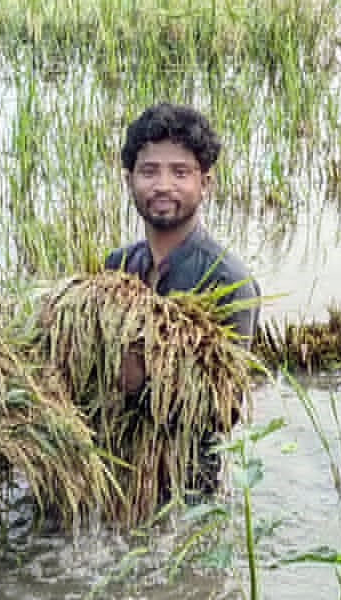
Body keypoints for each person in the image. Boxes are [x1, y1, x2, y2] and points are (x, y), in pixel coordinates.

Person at [104, 102, 260, 493]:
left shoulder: (227, 282)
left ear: (205, 183)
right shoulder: (117, 267)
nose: (163, 185)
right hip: (114, 468)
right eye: (149, 171)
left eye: (180, 172)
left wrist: (141, 383)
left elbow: (225, 412)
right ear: (129, 180)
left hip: (187, 486)